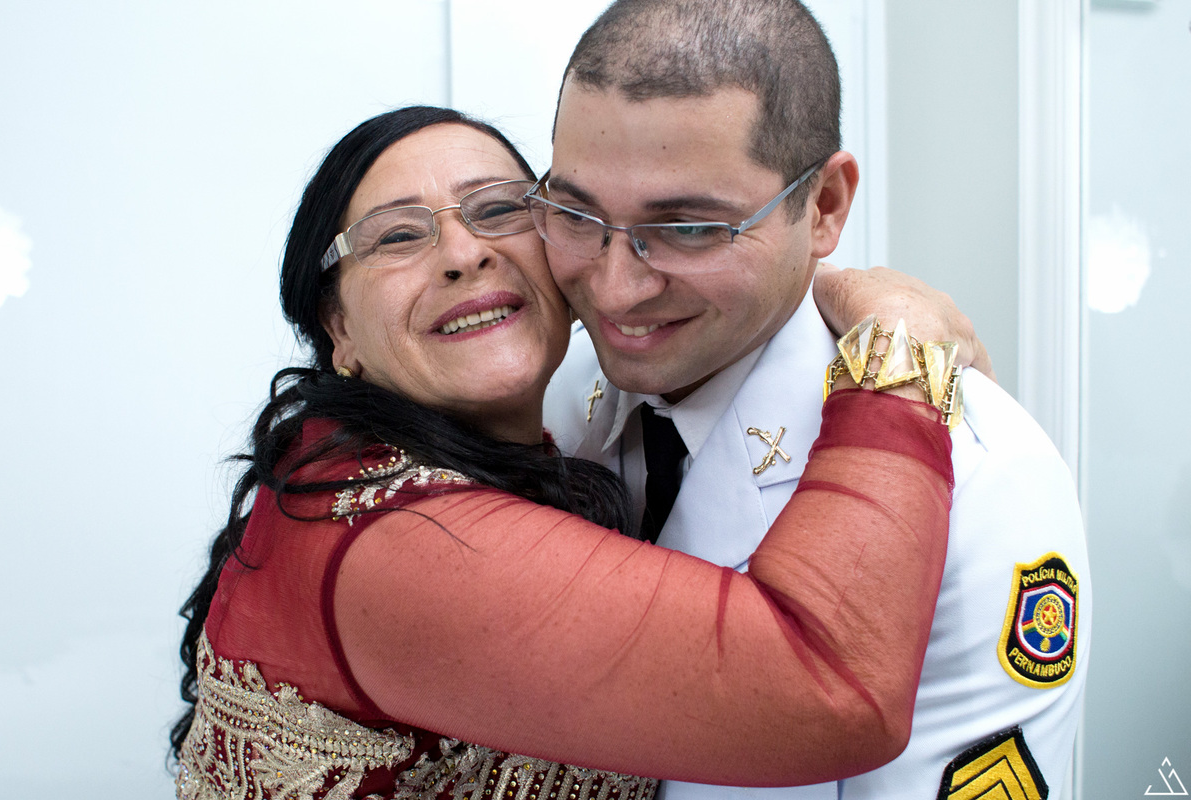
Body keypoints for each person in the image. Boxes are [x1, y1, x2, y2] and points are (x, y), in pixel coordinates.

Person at [172, 105, 967, 799]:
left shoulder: (547, 432)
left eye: (498, 210)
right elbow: (829, 687)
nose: (464, 252)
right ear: (338, 330)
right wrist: (900, 344)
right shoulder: (396, 540)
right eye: (399, 235)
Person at [536, 1, 1091, 798]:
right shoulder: (557, 397)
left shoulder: (980, 476)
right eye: (577, 212)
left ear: (824, 205)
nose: (614, 288)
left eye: (690, 227)